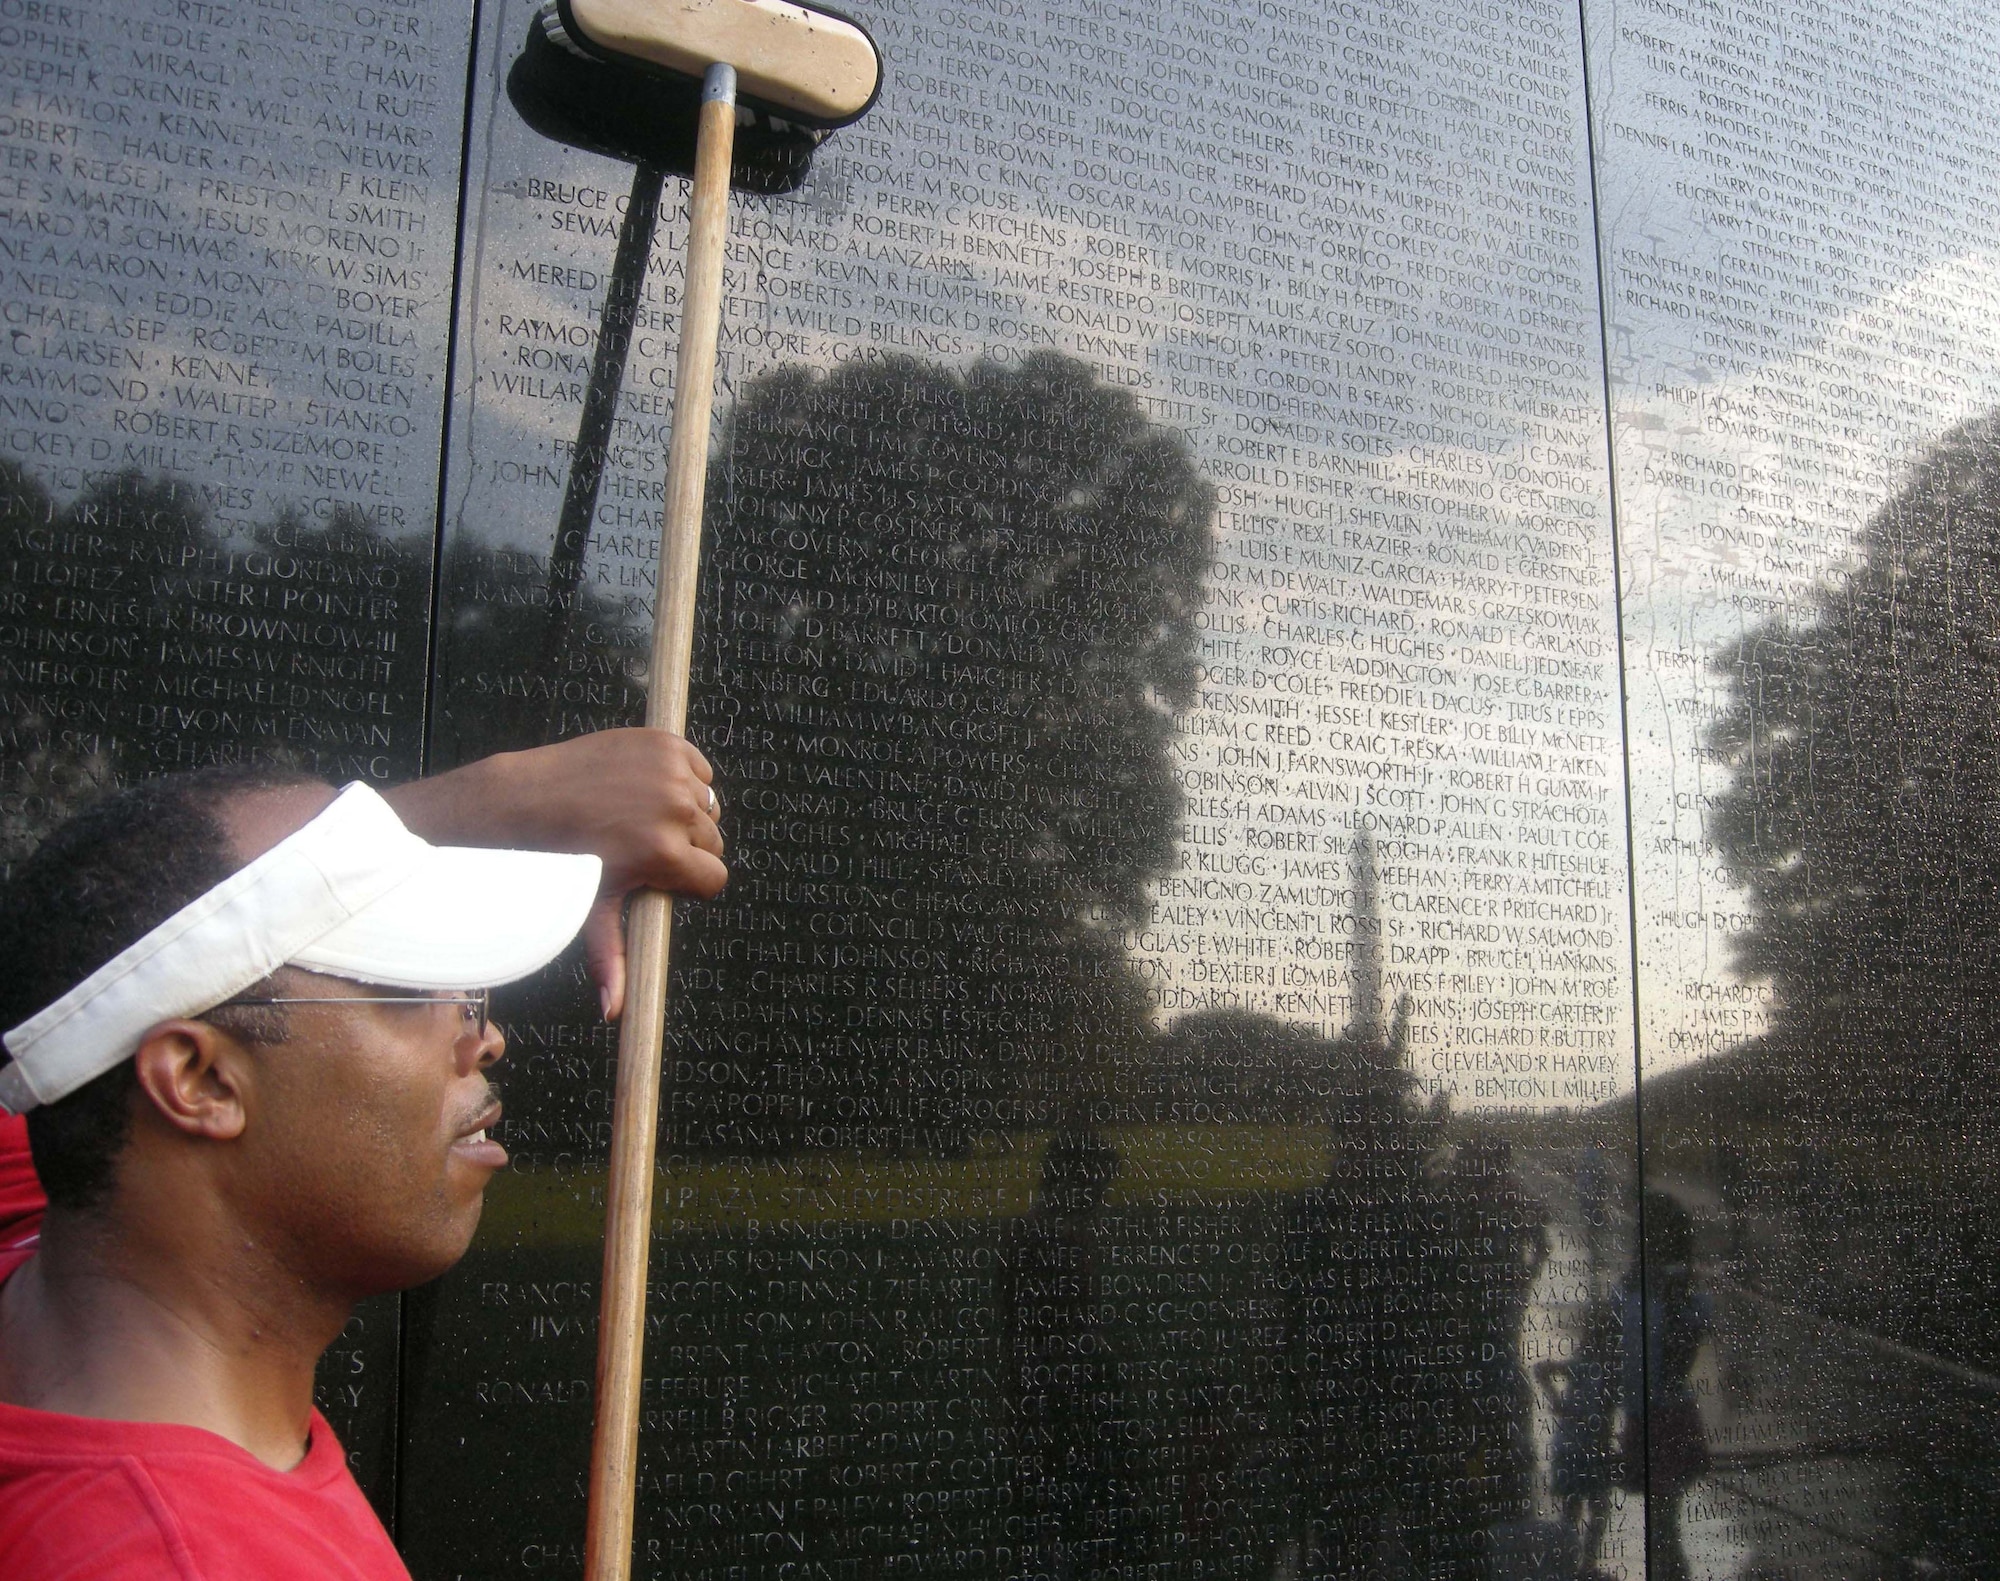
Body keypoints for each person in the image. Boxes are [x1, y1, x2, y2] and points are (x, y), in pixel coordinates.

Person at [0, 729, 725, 1578]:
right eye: (413, 989)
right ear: (199, 1079)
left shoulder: (54, 1213)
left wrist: (510, 798)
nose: (483, 1033)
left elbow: (93, 985)